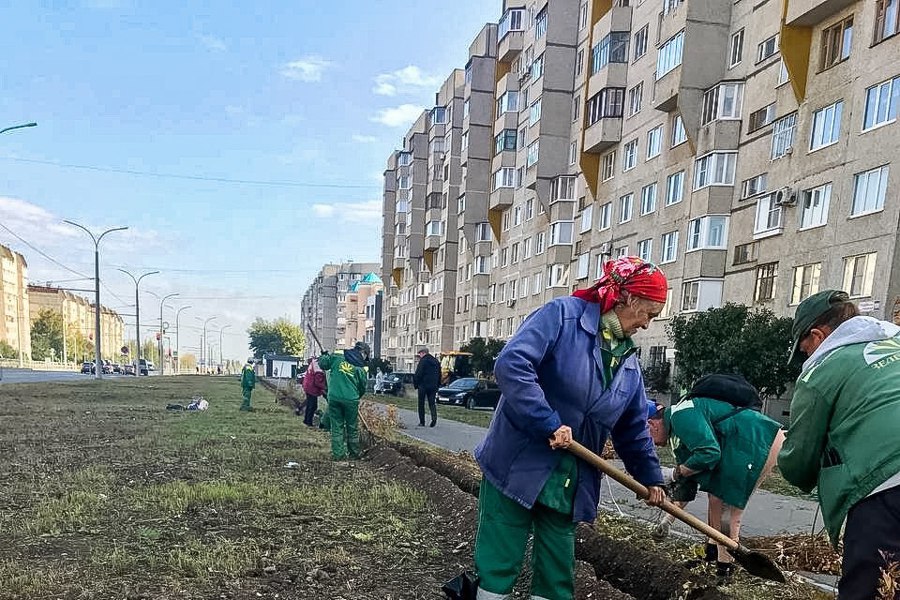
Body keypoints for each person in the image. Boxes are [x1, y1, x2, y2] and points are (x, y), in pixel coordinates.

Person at [472, 256, 668, 600]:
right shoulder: (562, 316)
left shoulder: (628, 364)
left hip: (570, 478)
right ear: (629, 299)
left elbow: (633, 429)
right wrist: (548, 422)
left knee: (556, 573)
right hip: (518, 462)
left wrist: (649, 479)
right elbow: (512, 365)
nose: (647, 325)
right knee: (498, 563)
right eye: (648, 314)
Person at [778, 289, 900, 600]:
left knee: (872, 589)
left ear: (817, 336)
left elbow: (798, 463)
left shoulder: (822, 369)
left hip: (888, 486)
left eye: (804, 349)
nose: (806, 356)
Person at [646, 387, 785, 578]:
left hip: (756, 441)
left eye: (648, 437)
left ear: (651, 424)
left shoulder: (681, 415)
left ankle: (724, 569)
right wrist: (667, 521)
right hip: (746, 442)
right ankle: (711, 555)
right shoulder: (677, 433)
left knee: (728, 510)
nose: (651, 443)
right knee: (715, 501)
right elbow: (688, 483)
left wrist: (674, 473)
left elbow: (709, 453)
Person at [317, 341, 369, 461]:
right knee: (352, 427)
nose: (366, 358)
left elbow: (323, 364)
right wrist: (356, 397)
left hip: (334, 398)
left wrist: (324, 355)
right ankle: (354, 454)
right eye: (366, 355)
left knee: (337, 426)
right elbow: (362, 387)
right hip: (351, 400)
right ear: (363, 352)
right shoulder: (361, 367)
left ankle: (338, 455)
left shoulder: (338, 356)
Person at [413, 347, 441, 427]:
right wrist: (438, 384)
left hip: (423, 385)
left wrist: (416, 384)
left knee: (421, 403)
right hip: (433, 386)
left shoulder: (423, 361)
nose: (419, 355)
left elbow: (418, 373)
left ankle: (422, 422)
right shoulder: (436, 361)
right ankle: (434, 419)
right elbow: (439, 374)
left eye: (420, 353)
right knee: (432, 403)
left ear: (423, 353)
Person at [301, 357, 327, 427]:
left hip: (307, 385)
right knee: (312, 406)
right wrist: (325, 389)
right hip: (312, 388)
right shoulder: (318, 369)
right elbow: (318, 383)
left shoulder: (314, 363)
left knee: (309, 404)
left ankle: (306, 420)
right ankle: (308, 422)